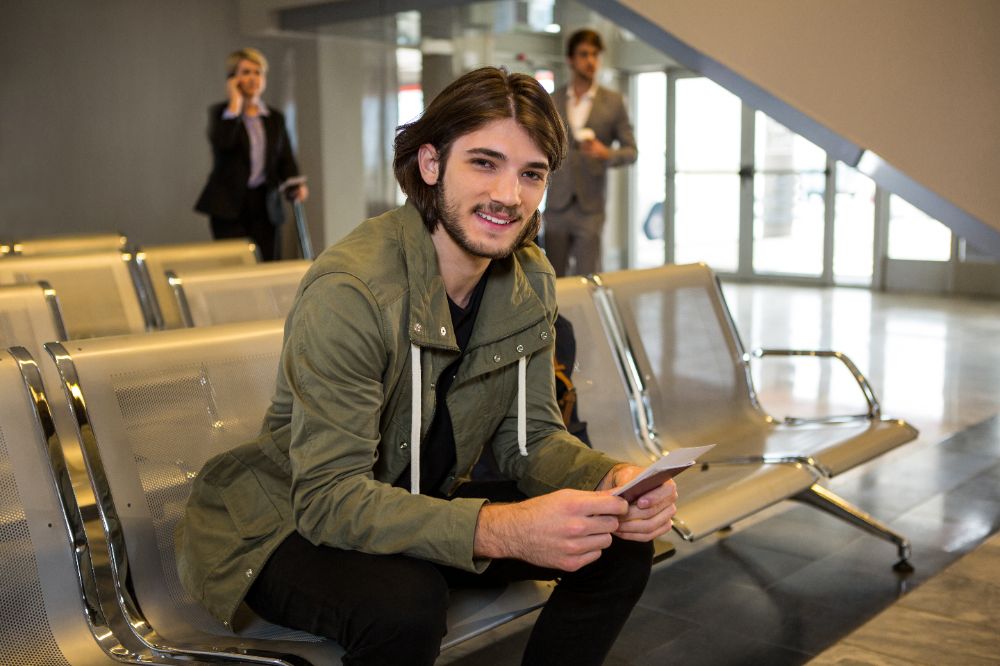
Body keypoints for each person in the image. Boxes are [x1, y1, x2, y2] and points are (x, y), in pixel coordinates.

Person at [176, 66, 677, 666]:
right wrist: (503, 528)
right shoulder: (352, 290)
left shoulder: (529, 279)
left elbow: (532, 440)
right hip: (283, 524)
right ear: (431, 163)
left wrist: (609, 479)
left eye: (531, 173)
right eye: (484, 163)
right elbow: (328, 498)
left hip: (407, 498)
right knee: (407, 604)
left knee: (615, 543)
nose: (509, 196)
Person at [194, 47, 308, 261]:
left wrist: (295, 184)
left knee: (268, 263)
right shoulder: (221, 114)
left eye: (258, 72)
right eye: (246, 72)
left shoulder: (275, 118)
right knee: (235, 264)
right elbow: (223, 143)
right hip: (229, 205)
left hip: (265, 204)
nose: (253, 78)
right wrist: (235, 105)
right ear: (233, 79)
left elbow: (285, 157)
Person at [543, 28, 637, 276]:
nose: (591, 61)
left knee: (589, 277)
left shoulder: (613, 102)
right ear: (570, 59)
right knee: (552, 278)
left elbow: (631, 151)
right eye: (584, 54)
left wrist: (606, 154)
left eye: (595, 55)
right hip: (557, 204)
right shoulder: (553, 100)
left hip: (591, 207)